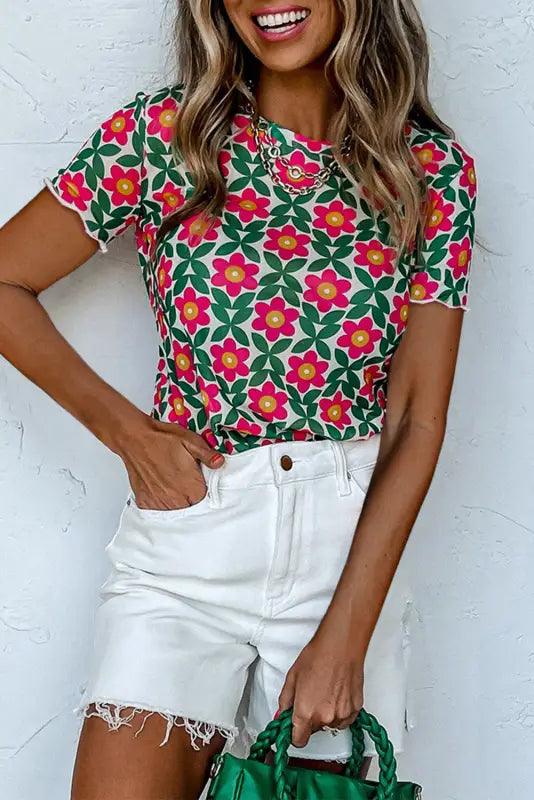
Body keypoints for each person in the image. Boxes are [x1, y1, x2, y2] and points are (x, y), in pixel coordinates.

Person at [0, 1, 477, 798]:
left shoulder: (429, 170)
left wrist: (346, 637)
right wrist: (131, 435)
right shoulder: (164, 136)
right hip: (189, 545)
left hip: (344, 560)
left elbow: (417, 418)